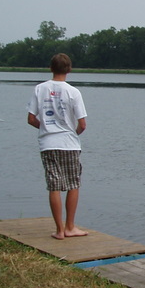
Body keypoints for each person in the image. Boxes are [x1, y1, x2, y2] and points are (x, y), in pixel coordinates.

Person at [27, 53, 88, 240]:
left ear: (50, 68)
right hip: (69, 143)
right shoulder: (73, 92)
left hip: (48, 143)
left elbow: (31, 119)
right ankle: (70, 227)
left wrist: (46, 127)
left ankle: (59, 230)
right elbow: (83, 124)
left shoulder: (40, 89)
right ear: (69, 70)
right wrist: (71, 132)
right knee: (73, 184)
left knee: (54, 185)